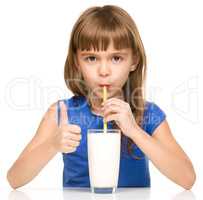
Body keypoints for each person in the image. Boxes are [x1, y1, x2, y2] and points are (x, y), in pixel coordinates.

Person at [7, 5, 196, 190]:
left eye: (116, 58)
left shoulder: (148, 114)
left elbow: (187, 179)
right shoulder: (62, 113)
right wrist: (52, 145)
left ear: (134, 61)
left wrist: (134, 131)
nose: (104, 71)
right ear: (76, 62)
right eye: (91, 58)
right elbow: (14, 179)